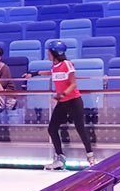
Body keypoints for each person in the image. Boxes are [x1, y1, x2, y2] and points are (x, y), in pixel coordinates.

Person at [24, 40, 96, 170]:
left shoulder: (67, 64)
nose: (47, 54)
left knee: (80, 128)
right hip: (62, 103)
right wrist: (33, 74)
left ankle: (90, 156)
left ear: (55, 53)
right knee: (52, 129)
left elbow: (73, 84)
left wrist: (60, 95)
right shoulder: (54, 66)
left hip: (74, 101)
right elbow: (51, 72)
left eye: (49, 52)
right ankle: (60, 157)